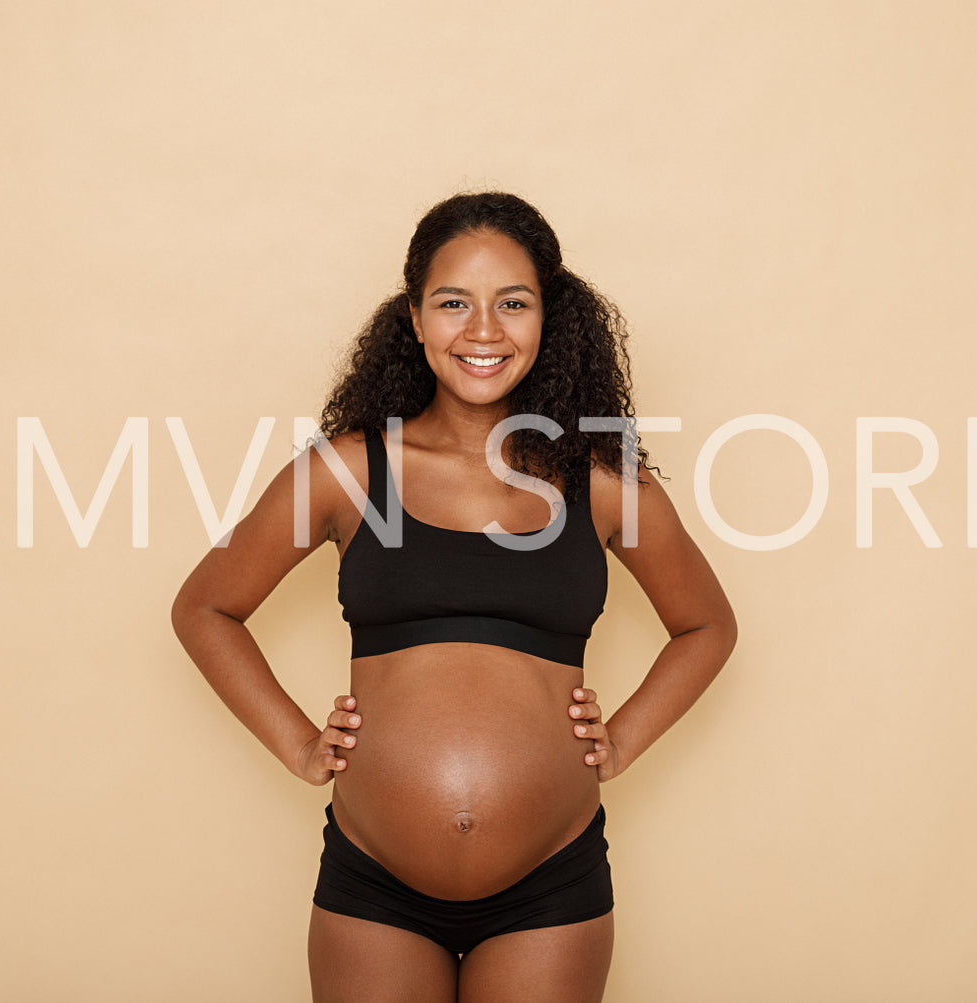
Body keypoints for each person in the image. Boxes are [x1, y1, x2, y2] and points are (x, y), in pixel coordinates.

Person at [172, 192, 736, 1002]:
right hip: (374, 885)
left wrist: (622, 739)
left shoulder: (603, 481)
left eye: (512, 302)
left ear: (549, 317)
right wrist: (299, 743)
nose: (482, 330)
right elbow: (205, 607)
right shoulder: (349, 470)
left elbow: (706, 624)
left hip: (552, 886)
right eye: (452, 303)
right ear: (413, 317)